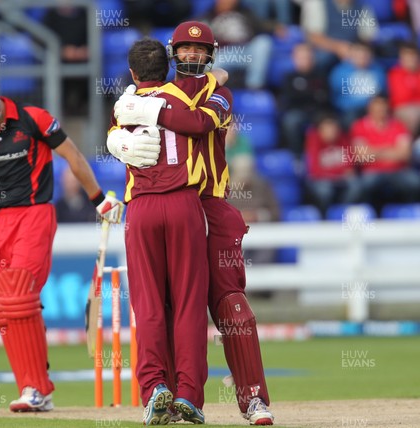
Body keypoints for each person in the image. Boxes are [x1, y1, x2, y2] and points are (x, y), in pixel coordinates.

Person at [111, 20, 274, 426]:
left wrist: (141, 109)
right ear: (172, 55)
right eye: (184, 50)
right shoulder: (155, 92)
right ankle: (169, 396)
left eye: (198, 52)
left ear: (210, 55)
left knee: (231, 305)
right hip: (178, 204)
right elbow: (129, 121)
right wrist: (115, 137)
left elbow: (199, 122)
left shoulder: (216, 92)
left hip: (209, 206)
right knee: (167, 306)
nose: (191, 57)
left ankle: (253, 400)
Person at [0, 71, 123, 413]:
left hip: (34, 214)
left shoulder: (31, 118)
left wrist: (98, 199)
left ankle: (36, 387)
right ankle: (32, 386)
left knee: (21, 292)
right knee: (5, 307)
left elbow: (73, 156)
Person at [107, 37, 215, 425]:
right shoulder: (185, 99)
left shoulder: (124, 106)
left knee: (149, 304)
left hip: (142, 208)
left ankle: (154, 388)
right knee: (188, 304)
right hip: (184, 203)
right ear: (168, 68)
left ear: (133, 72)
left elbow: (117, 138)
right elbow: (204, 124)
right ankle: (188, 393)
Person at [350, 95, 420, 212]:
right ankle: (373, 216)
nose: (380, 110)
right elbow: (361, 156)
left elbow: (405, 154)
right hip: (372, 171)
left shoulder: (398, 125)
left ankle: (409, 216)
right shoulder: (359, 126)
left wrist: (374, 151)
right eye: (377, 107)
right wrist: (391, 150)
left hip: (398, 170)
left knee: (414, 183)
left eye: (383, 107)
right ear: (370, 108)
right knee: (366, 185)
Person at [279, 43, 330, 157]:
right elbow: (290, 98)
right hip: (297, 111)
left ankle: (324, 158)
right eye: (301, 58)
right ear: (294, 59)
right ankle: (297, 156)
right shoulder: (289, 77)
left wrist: (304, 94)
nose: (305, 61)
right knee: (291, 121)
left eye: (307, 57)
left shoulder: (320, 76)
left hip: (318, 112)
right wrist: (312, 94)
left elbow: (324, 98)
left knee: (329, 124)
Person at [304, 113, 361, 215]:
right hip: (321, 180)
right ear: (320, 130)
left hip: (338, 179)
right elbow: (315, 170)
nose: (331, 132)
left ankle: (342, 213)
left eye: (334, 128)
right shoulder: (313, 140)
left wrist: (337, 172)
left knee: (356, 185)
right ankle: (324, 216)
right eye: (327, 128)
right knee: (325, 191)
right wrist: (338, 171)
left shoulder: (342, 139)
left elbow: (350, 166)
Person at [329, 41, 386, 128]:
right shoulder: (340, 72)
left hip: (374, 109)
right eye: (359, 53)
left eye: (365, 54)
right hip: (349, 110)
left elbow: (382, 93)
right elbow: (337, 97)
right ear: (352, 54)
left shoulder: (378, 71)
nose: (362, 57)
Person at [387, 41, 420, 136]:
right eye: (407, 56)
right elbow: (401, 98)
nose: (410, 59)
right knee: (412, 115)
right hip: (401, 109)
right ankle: (407, 145)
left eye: (413, 55)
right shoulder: (394, 73)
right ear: (401, 58)